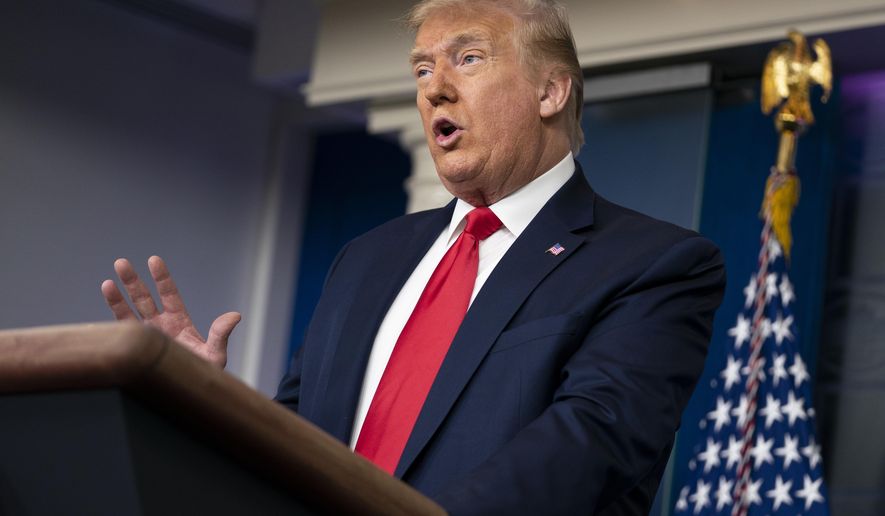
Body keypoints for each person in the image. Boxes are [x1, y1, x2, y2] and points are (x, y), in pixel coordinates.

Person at [102, 1, 726, 514]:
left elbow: (589, 446)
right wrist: (202, 405)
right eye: (423, 70)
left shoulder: (654, 265)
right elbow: (295, 441)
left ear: (551, 91)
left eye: (468, 58)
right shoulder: (367, 258)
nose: (435, 89)